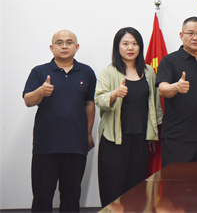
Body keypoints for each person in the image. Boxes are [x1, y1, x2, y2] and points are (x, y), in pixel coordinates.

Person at [22, 30, 96, 212]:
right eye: (59, 42)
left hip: (76, 145)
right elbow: (28, 101)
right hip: (46, 146)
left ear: (76, 47)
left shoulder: (86, 72)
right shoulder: (39, 71)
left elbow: (89, 103)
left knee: (71, 199)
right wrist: (41, 91)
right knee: (42, 198)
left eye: (69, 42)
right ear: (51, 47)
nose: (64, 46)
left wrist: (88, 133)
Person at [94, 27, 163, 206]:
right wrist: (115, 94)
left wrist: (154, 133)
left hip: (140, 139)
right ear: (117, 47)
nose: (130, 48)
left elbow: (155, 105)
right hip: (114, 140)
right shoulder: (109, 71)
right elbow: (99, 99)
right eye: (125, 44)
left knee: (136, 190)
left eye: (135, 43)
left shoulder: (148, 71)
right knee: (113, 188)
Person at [156, 16, 197, 166]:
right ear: (181, 35)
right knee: (175, 180)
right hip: (177, 137)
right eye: (190, 33)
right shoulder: (169, 61)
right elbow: (162, 90)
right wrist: (176, 87)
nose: (195, 37)